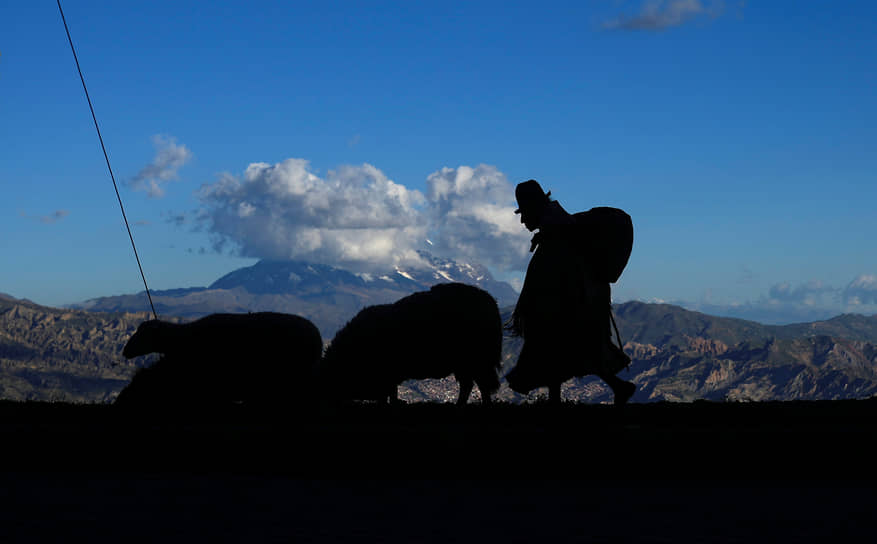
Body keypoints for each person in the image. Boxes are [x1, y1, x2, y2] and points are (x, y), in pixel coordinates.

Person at [505, 179, 636, 405]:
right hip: (577, 305)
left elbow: (561, 276)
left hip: (572, 307)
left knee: (563, 350)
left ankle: (615, 388)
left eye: (524, 212)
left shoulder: (557, 233)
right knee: (566, 352)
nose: (523, 219)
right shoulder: (559, 228)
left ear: (533, 207)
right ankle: (615, 388)